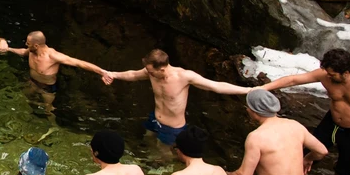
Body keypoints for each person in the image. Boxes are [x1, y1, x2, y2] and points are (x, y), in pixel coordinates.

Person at [103, 49, 251, 146]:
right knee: (147, 140)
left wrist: (249, 90)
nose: (148, 73)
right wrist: (113, 74)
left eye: (150, 71)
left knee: (163, 154)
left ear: (162, 68)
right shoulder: (152, 72)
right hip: (155, 117)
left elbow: (216, 86)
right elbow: (133, 74)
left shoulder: (184, 77)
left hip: (172, 127)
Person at [0, 31, 109, 112]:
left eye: (28, 43)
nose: (26, 45)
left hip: (47, 89)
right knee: (22, 99)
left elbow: (78, 63)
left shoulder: (53, 56)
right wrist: (9, 49)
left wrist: (102, 72)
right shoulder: (31, 51)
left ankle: (54, 128)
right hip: (32, 82)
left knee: (48, 111)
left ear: (36, 45)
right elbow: (23, 52)